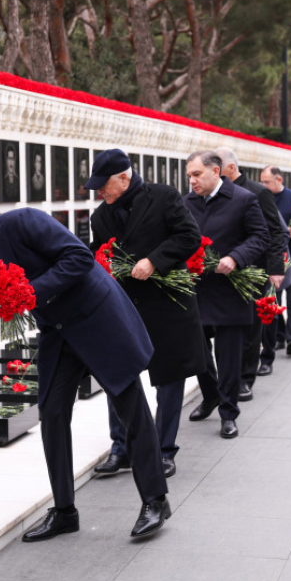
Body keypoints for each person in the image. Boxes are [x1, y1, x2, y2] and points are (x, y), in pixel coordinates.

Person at [0, 197, 171, 540]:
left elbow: (80, 257)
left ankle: (155, 500)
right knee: (52, 412)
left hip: (98, 319)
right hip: (58, 333)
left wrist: (29, 292)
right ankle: (65, 511)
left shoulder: (23, 223)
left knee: (131, 408)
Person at [88, 149, 205, 479]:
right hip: (123, 307)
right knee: (118, 375)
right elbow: (99, 255)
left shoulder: (164, 197)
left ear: (124, 178)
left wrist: (154, 260)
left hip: (166, 304)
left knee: (169, 379)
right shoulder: (100, 216)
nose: (99, 191)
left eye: (103, 184)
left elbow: (189, 236)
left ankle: (164, 450)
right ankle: (121, 448)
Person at [183, 150, 269, 439]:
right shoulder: (186, 203)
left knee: (228, 355)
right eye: (189, 176)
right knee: (197, 350)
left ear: (216, 172)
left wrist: (235, 258)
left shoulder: (244, 199)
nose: (192, 181)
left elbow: (260, 237)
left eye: (197, 174)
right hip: (197, 288)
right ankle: (210, 395)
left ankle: (228, 412)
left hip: (231, 288)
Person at [216, 148, 286, 399]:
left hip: (253, 270)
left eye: (217, 168)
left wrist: (275, 269)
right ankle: (224, 379)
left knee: (250, 325)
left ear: (231, 168)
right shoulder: (214, 195)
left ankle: (246, 378)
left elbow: (276, 232)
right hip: (222, 270)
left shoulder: (258, 192)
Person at [259, 166, 291, 357]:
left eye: (267, 182)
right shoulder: (261, 198)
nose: (264, 185)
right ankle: (279, 336)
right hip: (274, 258)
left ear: (279, 179)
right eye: (262, 182)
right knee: (274, 299)